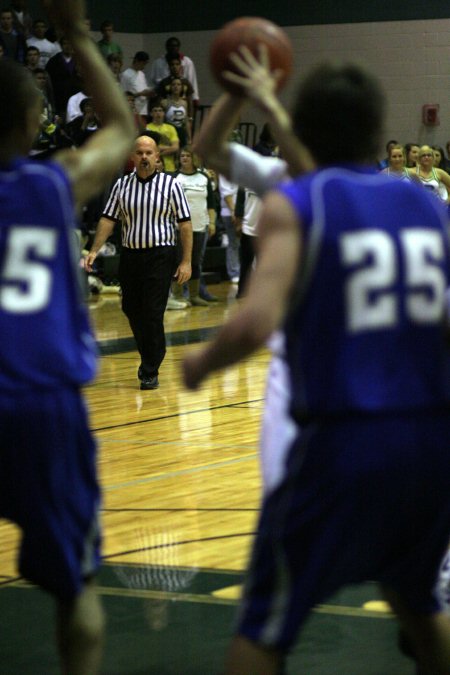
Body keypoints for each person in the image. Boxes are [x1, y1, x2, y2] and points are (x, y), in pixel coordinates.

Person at [184, 56, 450, 675]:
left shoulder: (300, 199)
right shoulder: (428, 206)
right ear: (378, 130)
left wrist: (201, 362)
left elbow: (255, 322)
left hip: (344, 434)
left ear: (296, 127)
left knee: (266, 620)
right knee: (417, 603)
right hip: (430, 438)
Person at [0, 2, 134, 674]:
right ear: (33, 123)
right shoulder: (54, 184)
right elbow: (121, 128)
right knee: (76, 585)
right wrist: (78, 35)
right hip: (40, 406)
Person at [85, 132, 193, 390]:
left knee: (152, 312)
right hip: (131, 255)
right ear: (132, 156)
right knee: (131, 309)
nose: (144, 157)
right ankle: (150, 354)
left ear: (157, 156)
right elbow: (108, 218)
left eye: (149, 153)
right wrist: (94, 249)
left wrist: (186, 261)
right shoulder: (122, 185)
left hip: (161, 255)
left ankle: (150, 367)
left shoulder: (172, 185)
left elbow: (185, 224)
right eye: (140, 153)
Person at [171, 145, 216, 306]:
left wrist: (211, 223)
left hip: (200, 227)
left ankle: (194, 295)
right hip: (179, 229)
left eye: (187, 156)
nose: (184, 158)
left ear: (194, 158)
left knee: (195, 262)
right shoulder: (175, 178)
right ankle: (177, 295)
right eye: (182, 156)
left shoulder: (204, 177)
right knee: (179, 260)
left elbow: (211, 204)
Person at [149, 36, 199, 106]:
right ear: (166, 47)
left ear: (179, 47)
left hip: (181, 98)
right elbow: (151, 82)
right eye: (170, 46)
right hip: (163, 97)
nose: (173, 48)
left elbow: (192, 81)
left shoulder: (187, 62)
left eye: (175, 46)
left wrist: (195, 98)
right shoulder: (158, 63)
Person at [146, 100, 180, 172]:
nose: (158, 113)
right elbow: (148, 147)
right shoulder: (147, 128)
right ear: (151, 113)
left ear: (164, 113)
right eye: (155, 111)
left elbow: (175, 147)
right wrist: (168, 147)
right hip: (151, 166)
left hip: (169, 167)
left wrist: (159, 153)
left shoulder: (171, 128)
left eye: (160, 110)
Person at [120, 51, 153, 120]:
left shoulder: (141, 74)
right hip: (133, 111)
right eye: (143, 63)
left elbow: (144, 88)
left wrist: (148, 93)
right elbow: (124, 95)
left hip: (143, 109)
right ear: (137, 61)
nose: (144, 66)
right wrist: (141, 94)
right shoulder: (126, 74)